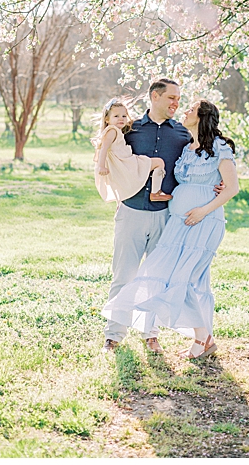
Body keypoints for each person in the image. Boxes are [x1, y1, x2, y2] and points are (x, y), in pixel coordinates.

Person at [103, 100, 240, 359]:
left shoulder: (208, 143)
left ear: (202, 116)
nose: (182, 108)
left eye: (189, 107)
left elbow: (231, 186)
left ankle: (195, 337)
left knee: (183, 278)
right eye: (176, 100)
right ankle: (118, 334)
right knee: (158, 277)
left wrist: (205, 207)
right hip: (169, 221)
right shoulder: (180, 145)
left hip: (198, 222)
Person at [102, 78, 192, 354]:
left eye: (178, 99)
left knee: (155, 277)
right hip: (130, 211)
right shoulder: (130, 129)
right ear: (155, 96)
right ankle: (114, 335)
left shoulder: (182, 134)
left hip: (165, 215)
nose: (176, 103)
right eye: (171, 98)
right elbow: (109, 153)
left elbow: (199, 165)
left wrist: (218, 182)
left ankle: (150, 334)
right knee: (123, 275)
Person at [93, 99, 172, 204]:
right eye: (116, 116)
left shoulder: (116, 131)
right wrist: (101, 166)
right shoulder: (112, 131)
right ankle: (155, 192)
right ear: (107, 119)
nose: (121, 119)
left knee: (158, 162)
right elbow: (103, 148)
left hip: (124, 162)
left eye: (124, 116)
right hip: (126, 163)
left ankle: (153, 193)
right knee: (159, 162)